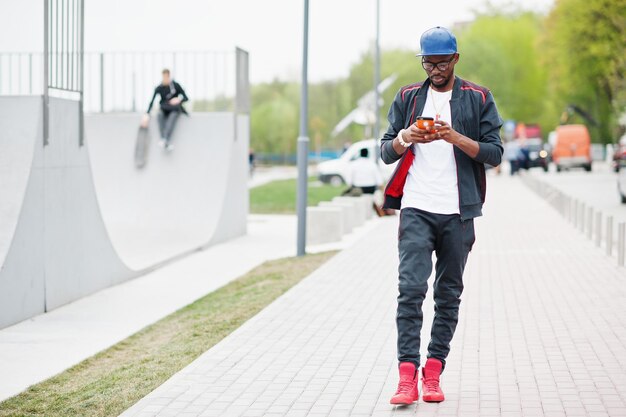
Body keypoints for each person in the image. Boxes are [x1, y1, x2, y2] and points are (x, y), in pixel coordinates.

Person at [379, 27, 503, 405]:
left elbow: (494, 153)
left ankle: (432, 373)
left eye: (442, 63)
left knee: (448, 296)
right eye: (429, 63)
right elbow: (386, 151)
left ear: (455, 60)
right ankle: (406, 377)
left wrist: (455, 138)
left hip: (458, 213)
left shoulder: (478, 97)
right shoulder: (407, 97)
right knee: (410, 291)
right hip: (417, 207)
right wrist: (406, 137)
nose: (435, 70)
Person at [141, 69, 189, 151]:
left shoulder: (175, 86)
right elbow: (152, 101)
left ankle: (165, 140)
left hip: (174, 109)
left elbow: (186, 98)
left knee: (172, 116)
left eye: (167, 76)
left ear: (169, 76)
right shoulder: (159, 87)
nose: (165, 78)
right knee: (159, 115)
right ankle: (165, 140)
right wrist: (147, 114)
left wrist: (178, 100)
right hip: (164, 109)